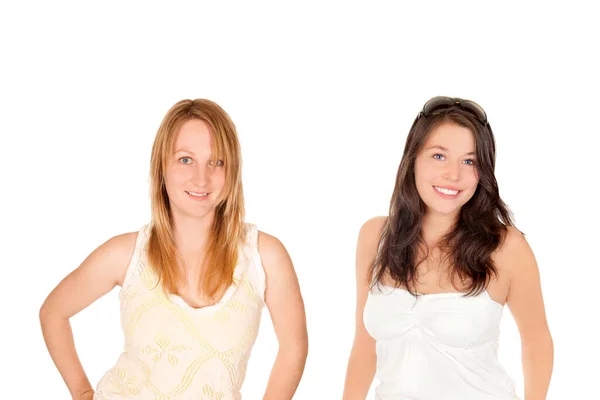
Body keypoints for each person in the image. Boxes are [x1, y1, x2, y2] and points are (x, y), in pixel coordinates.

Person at [40, 99, 308, 400]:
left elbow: (293, 349)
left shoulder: (264, 257)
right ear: (161, 166)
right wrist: (82, 392)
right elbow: (54, 311)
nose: (201, 178)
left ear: (232, 171)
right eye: (185, 159)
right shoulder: (126, 254)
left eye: (217, 162)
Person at [342, 97, 553, 400]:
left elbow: (537, 341)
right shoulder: (375, 236)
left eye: (469, 161)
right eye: (439, 156)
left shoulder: (506, 247)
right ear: (412, 159)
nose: (453, 174)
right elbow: (365, 345)